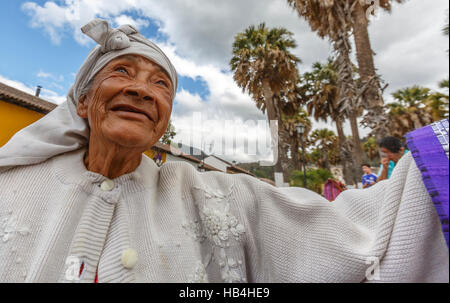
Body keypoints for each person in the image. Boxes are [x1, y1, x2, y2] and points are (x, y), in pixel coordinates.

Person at [0, 19, 448, 283]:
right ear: (82, 101)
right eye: (121, 72)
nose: (140, 90)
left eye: (160, 85)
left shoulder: (213, 194)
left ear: (165, 118)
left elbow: (355, 231)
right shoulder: (13, 187)